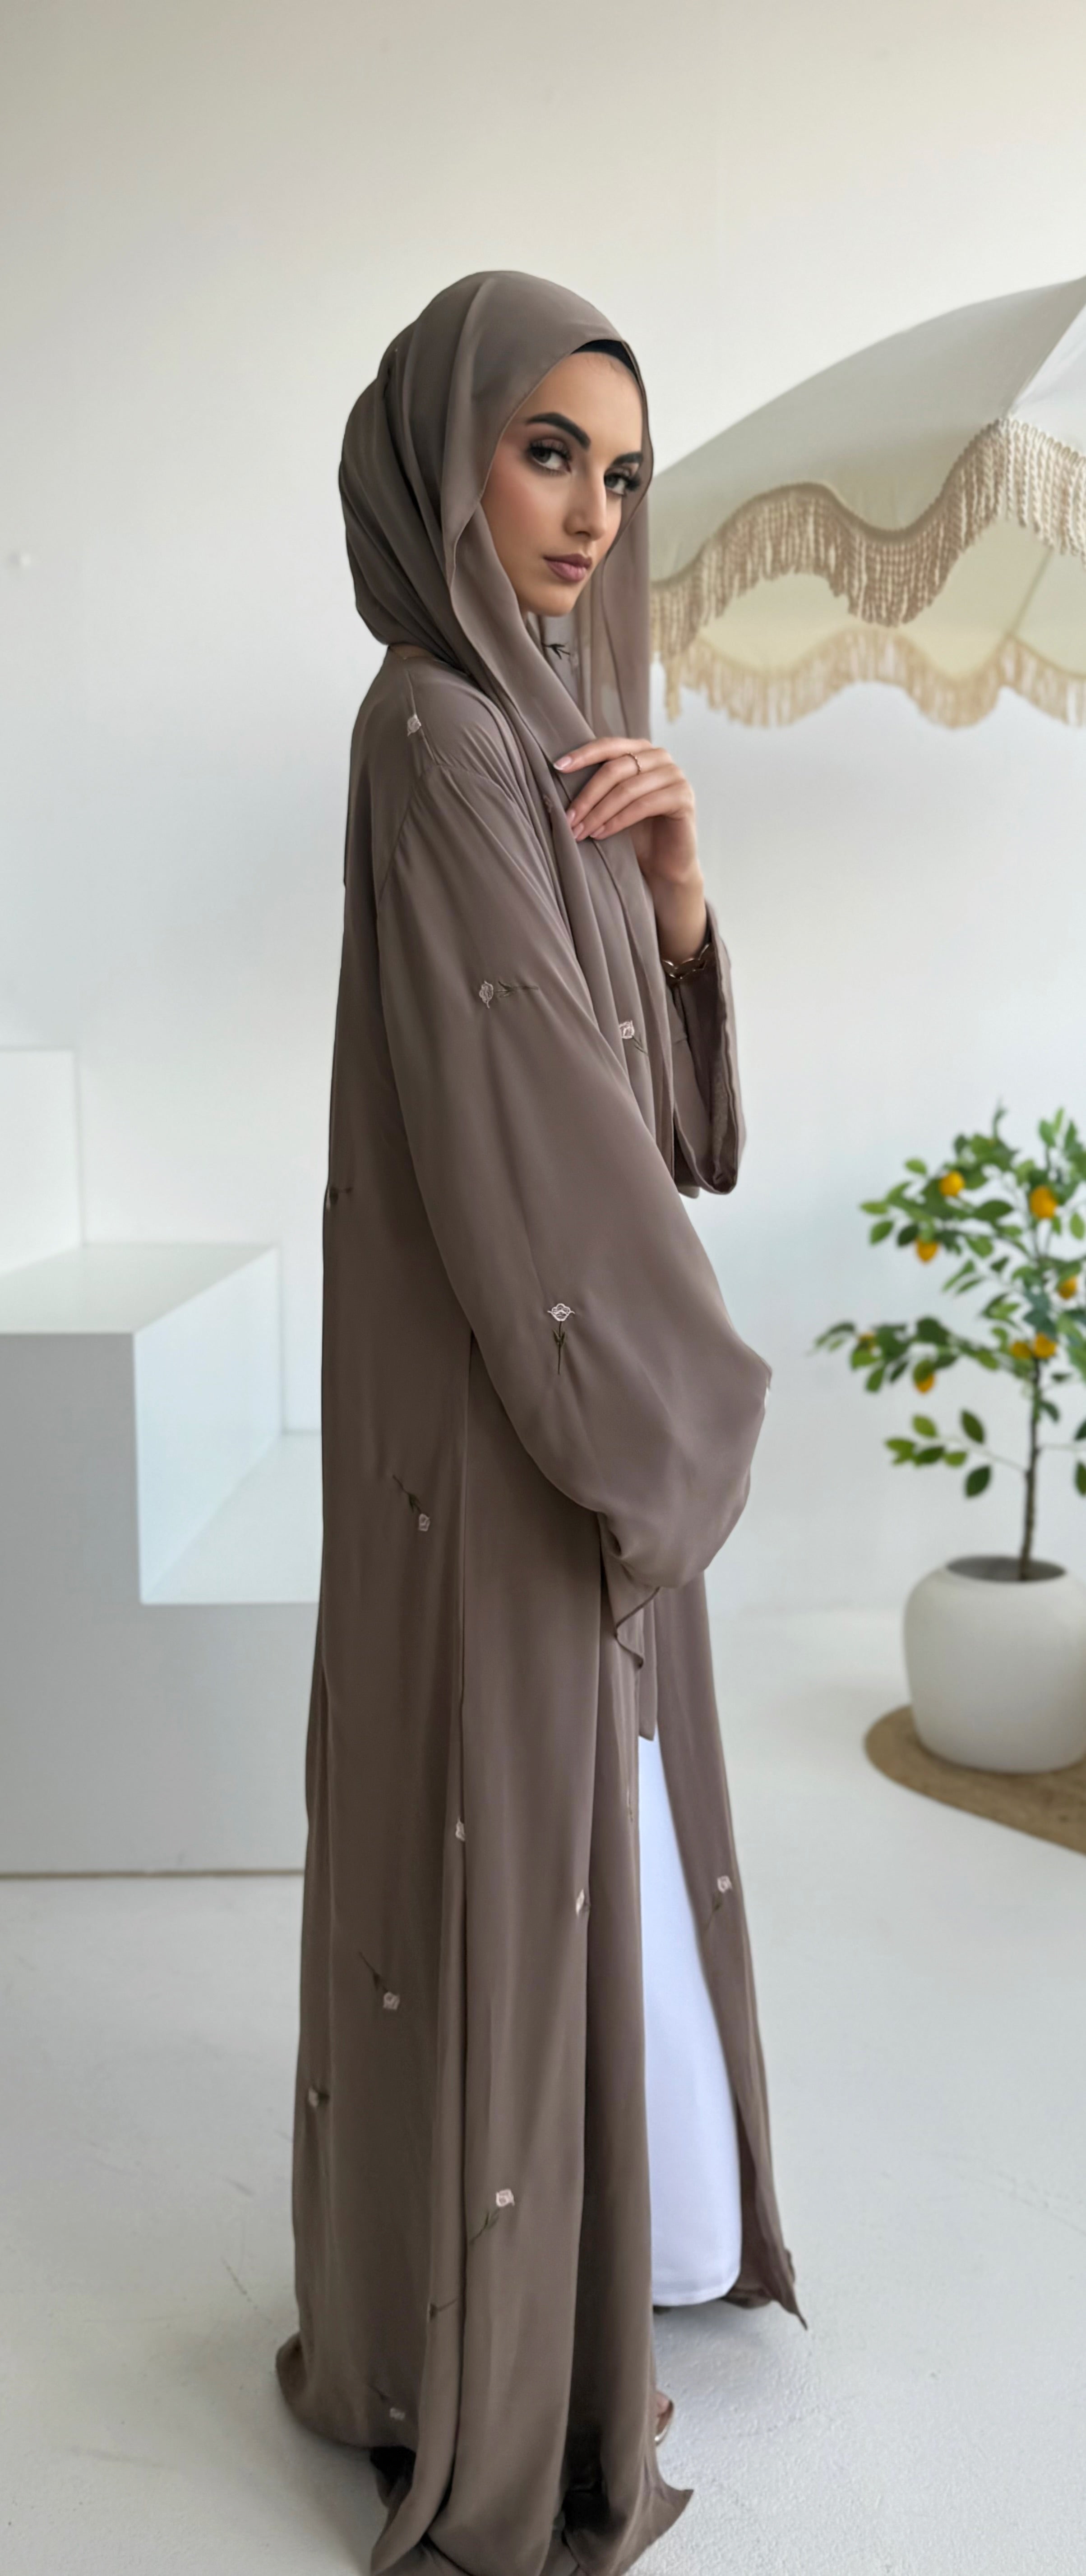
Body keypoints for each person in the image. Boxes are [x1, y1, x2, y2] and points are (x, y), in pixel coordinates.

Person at [275, 268, 803, 2576]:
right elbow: (527, 1126)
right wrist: (675, 1406)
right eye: (546, 453)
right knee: (518, 1822)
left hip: (550, 1373)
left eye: (620, 472)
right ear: (442, 461)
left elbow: (647, 1116)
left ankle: (589, 2278)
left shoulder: (546, 729)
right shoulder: (433, 728)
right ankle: (495, 2353)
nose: (591, 513)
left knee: (589, 1824)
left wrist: (675, 902)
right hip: (514, 1394)